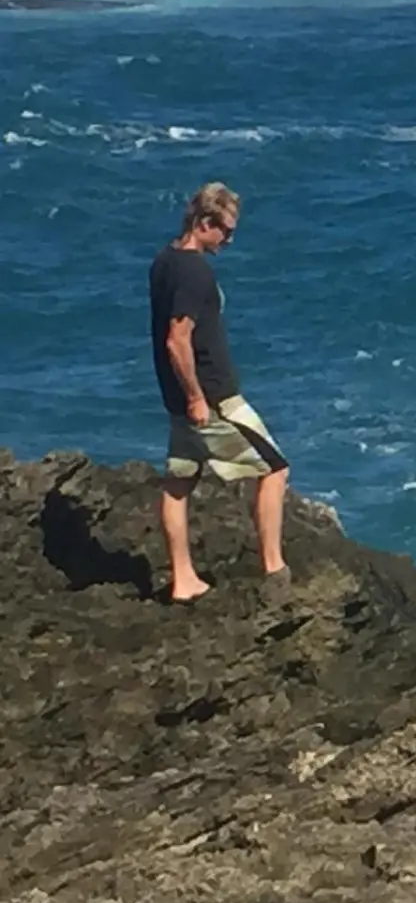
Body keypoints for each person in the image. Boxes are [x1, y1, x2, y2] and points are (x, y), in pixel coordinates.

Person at [149, 182, 289, 601]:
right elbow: (177, 338)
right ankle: (273, 568)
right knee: (275, 470)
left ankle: (184, 580)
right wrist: (196, 398)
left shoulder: (164, 260)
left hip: (176, 398)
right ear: (204, 223)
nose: (229, 240)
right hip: (212, 398)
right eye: (225, 231)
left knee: (179, 483)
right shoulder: (195, 270)